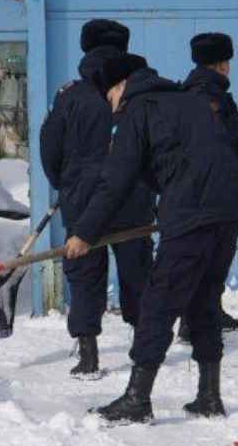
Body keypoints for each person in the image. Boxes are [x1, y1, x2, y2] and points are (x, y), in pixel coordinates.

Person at [63, 53, 238, 423]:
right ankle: (209, 396)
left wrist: (84, 232)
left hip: (192, 213)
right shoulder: (187, 101)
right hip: (229, 211)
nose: (111, 107)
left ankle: (137, 399)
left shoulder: (138, 110)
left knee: (158, 304)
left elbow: (116, 179)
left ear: (119, 87)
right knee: (204, 299)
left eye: (110, 98)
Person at [39, 20, 155, 377]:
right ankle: (143, 346)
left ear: (85, 48)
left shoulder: (69, 95)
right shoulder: (140, 92)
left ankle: (88, 355)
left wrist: (67, 185)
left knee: (85, 274)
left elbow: (49, 148)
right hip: (133, 198)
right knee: (138, 272)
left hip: (83, 200)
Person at [181, 32, 238, 336]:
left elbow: (232, 140)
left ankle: (210, 312)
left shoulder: (212, 92)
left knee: (218, 257)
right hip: (210, 191)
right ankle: (192, 325)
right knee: (208, 260)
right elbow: (215, 131)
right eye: (227, 60)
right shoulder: (203, 92)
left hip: (218, 188)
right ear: (222, 63)